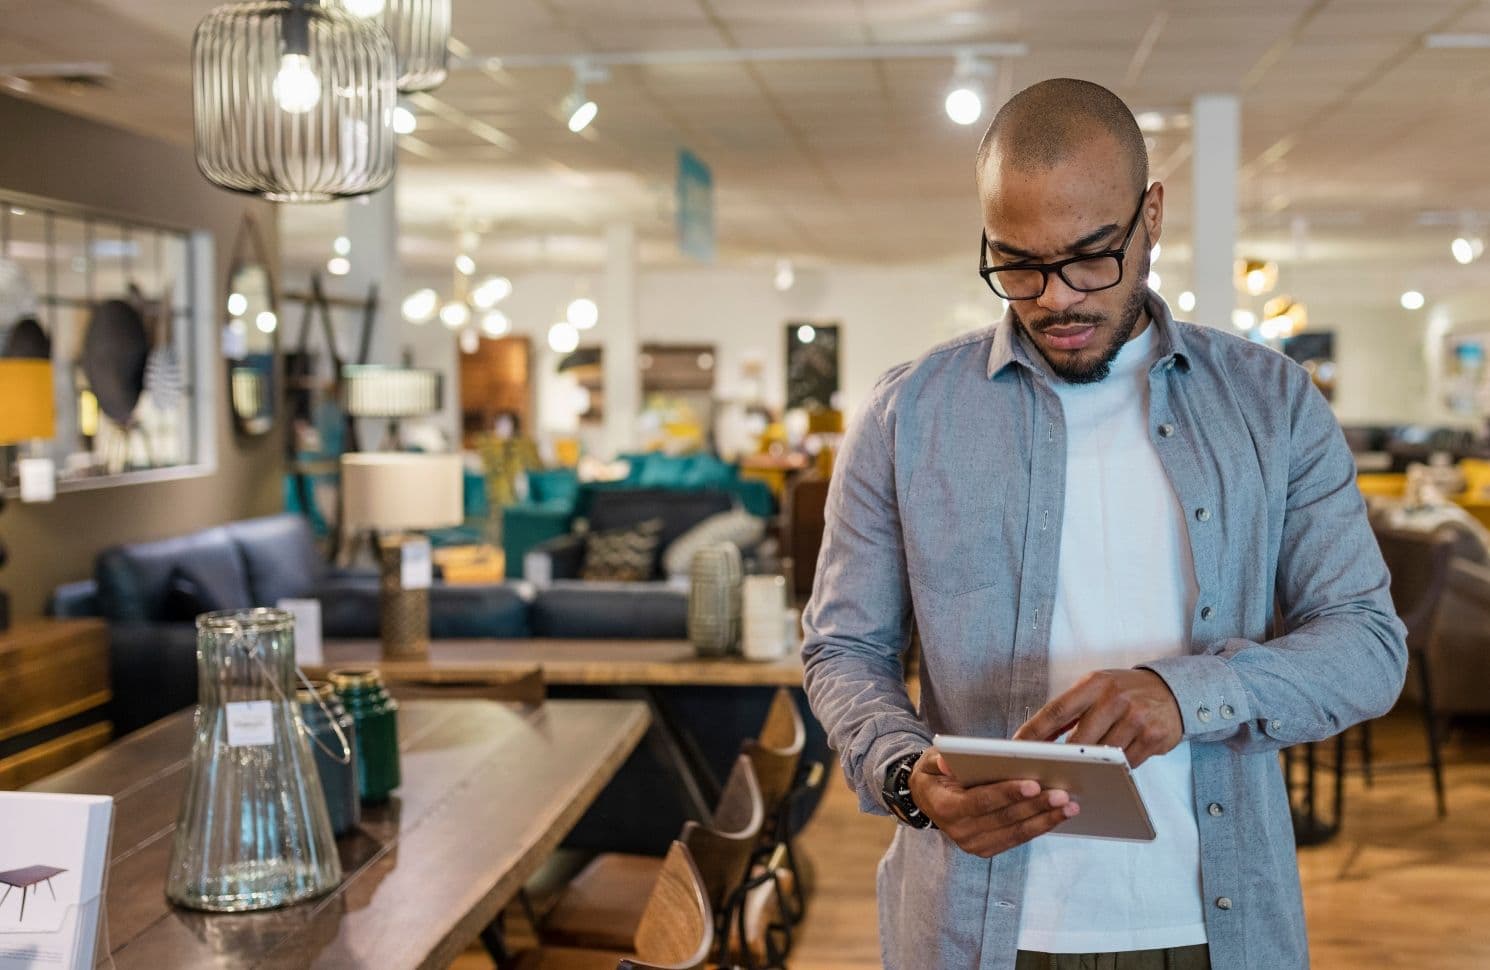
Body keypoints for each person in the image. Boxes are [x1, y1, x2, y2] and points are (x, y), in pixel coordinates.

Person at [800, 78, 1407, 970]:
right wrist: (905, 774)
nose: (1054, 300)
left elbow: (1367, 646)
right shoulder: (909, 415)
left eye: (1092, 258)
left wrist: (1183, 694)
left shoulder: (1271, 403)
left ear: (1150, 217)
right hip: (975, 930)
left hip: (1217, 926)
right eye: (1017, 264)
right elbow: (843, 649)